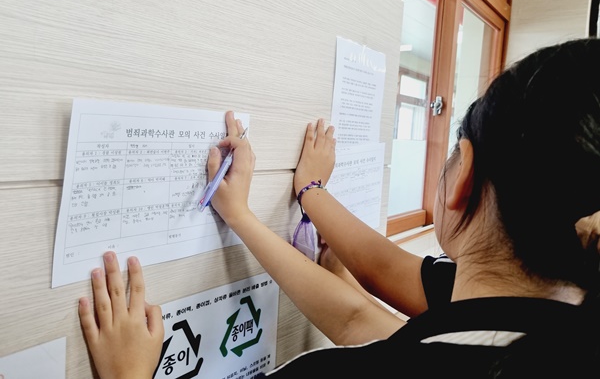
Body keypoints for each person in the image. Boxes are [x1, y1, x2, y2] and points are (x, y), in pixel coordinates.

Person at [79, 37, 600, 377]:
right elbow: (365, 308)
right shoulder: (562, 326)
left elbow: (368, 320)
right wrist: (274, 204)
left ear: (462, 173)